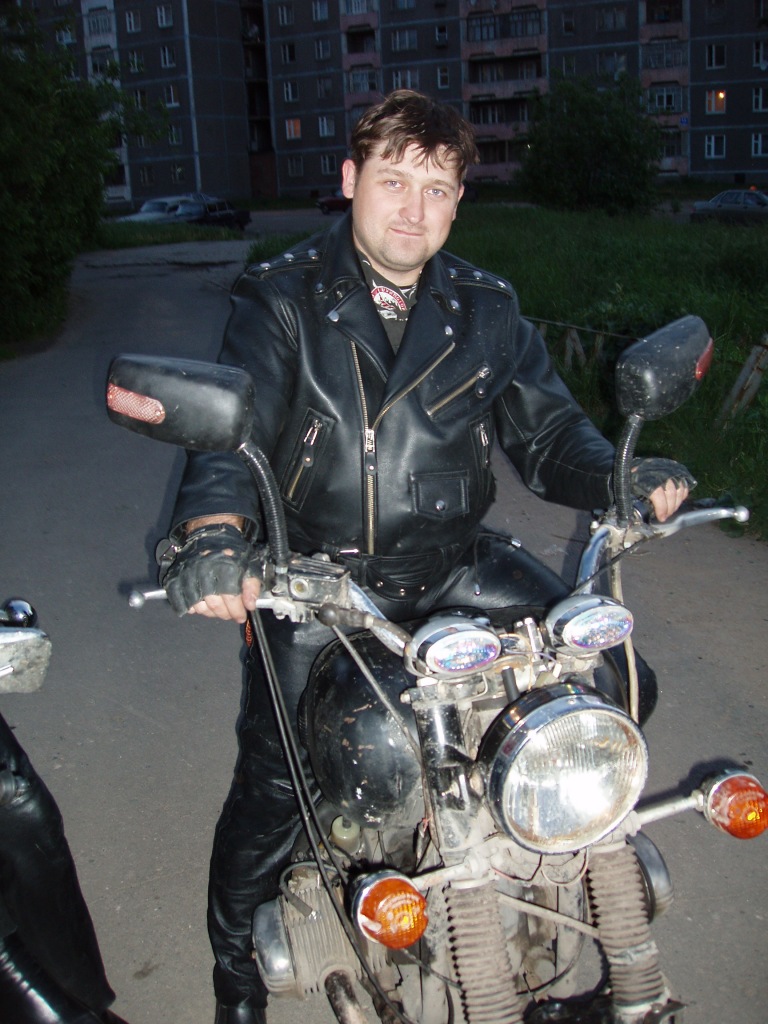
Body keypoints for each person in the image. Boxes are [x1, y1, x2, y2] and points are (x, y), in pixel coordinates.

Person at [160, 91, 694, 1024]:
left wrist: (621, 476)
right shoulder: (281, 296)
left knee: (615, 681)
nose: (413, 209)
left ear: (457, 202)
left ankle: (544, 852)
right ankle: (237, 971)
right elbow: (231, 437)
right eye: (394, 181)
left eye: (437, 188)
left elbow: (549, 434)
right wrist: (213, 537)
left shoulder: (487, 305)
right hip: (318, 581)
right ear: (350, 180)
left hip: (457, 563)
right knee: (279, 781)